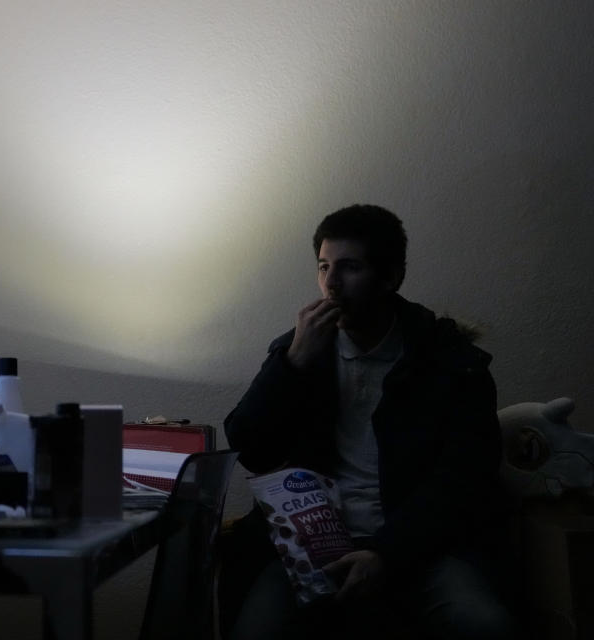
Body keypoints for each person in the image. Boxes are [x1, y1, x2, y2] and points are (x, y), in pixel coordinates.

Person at [218, 205, 517, 639]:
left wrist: (386, 553)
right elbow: (249, 447)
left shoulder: (449, 359)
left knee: (484, 625)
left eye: (349, 267)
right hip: (310, 546)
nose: (331, 284)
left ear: (391, 277)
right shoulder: (299, 351)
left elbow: (464, 478)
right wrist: (293, 364)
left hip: (416, 545)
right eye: (324, 267)